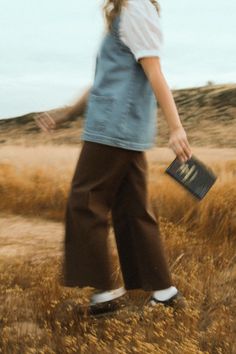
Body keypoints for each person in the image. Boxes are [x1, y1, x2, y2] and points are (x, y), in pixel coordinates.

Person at [35, 0, 192, 315]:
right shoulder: (126, 13)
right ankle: (164, 291)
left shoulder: (136, 10)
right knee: (133, 209)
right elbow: (105, 81)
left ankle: (105, 292)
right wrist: (66, 114)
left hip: (113, 128)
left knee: (85, 202)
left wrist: (176, 128)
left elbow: (154, 70)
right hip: (122, 127)